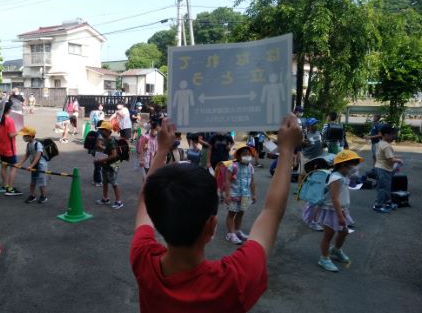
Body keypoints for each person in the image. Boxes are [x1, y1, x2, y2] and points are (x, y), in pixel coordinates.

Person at [131, 115, 302, 312]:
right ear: (212, 226)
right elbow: (272, 212)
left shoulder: (143, 258)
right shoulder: (233, 281)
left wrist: (161, 150)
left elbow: (145, 201)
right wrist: (288, 151)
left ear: (156, 218)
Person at [316, 150, 362, 272]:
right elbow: (334, 198)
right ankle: (324, 258)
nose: (354, 167)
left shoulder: (343, 176)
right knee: (328, 235)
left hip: (342, 209)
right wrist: (340, 216)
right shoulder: (335, 178)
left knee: (344, 232)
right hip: (333, 210)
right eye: (353, 164)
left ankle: (336, 250)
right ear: (343, 164)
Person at [223, 145, 257, 244]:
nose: (247, 156)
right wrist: (227, 195)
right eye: (244, 154)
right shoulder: (233, 166)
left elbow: (252, 181)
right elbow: (227, 181)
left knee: (241, 213)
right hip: (234, 195)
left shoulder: (250, 167)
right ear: (238, 156)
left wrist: (254, 194)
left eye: (249, 154)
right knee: (232, 214)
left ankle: (237, 231)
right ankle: (230, 234)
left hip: (245, 195)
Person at [94, 121, 124, 209]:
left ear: (108, 131)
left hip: (113, 165)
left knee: (114, 183)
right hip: (106, 164)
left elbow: (114, 155)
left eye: (103, 130)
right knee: (105, 182)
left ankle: (119, 201)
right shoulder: (105, 140)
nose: (101, 132)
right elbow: (105, 150)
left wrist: (101, 159)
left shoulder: (111, 141)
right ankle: (105, 198)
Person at [373, 125, 402, 213]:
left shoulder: (379, 143)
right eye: (391, 134)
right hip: (384, 169)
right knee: (384, 188)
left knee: (383, 186)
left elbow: (382, 155)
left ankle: (385, 202)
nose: (393, 136)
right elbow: (390, 160)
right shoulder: (387, 146)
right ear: (386, 135)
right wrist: (399, 160)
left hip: (378, 167)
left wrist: (394, 156)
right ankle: (378, 205)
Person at [0, 101, 22, 196]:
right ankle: (10, 189)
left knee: (4, 167)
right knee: (13, 167)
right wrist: (19, 131)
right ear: (9, 110)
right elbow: (11, 135)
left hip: (1, 148)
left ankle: (5, 186)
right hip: (9, 149)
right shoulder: (10, 121)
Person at [18, 127, 48, 204]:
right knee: (33, 181)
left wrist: (31, 165)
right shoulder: (28, 144)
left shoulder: (38, 144)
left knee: (41, 182)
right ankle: (32, 196)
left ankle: (43, 196)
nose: (24, 137)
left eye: (25, 136)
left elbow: (38, 156)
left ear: (31, 136)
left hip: (41, 166)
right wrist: (20, 163)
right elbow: (26, 155)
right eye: (24, 136)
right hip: (34, 165)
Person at [298, 118, 323, 185]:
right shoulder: (305, 134)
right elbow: (300, 144)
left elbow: (322, 143)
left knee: (313, 175)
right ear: (308, 126)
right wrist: (302, 142)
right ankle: (298, 191)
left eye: (316, 124)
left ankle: (308, 190)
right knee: (302, 174)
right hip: (306, 157)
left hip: (317, 158)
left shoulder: (319, 132)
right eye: (313, 124)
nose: (316, 125)